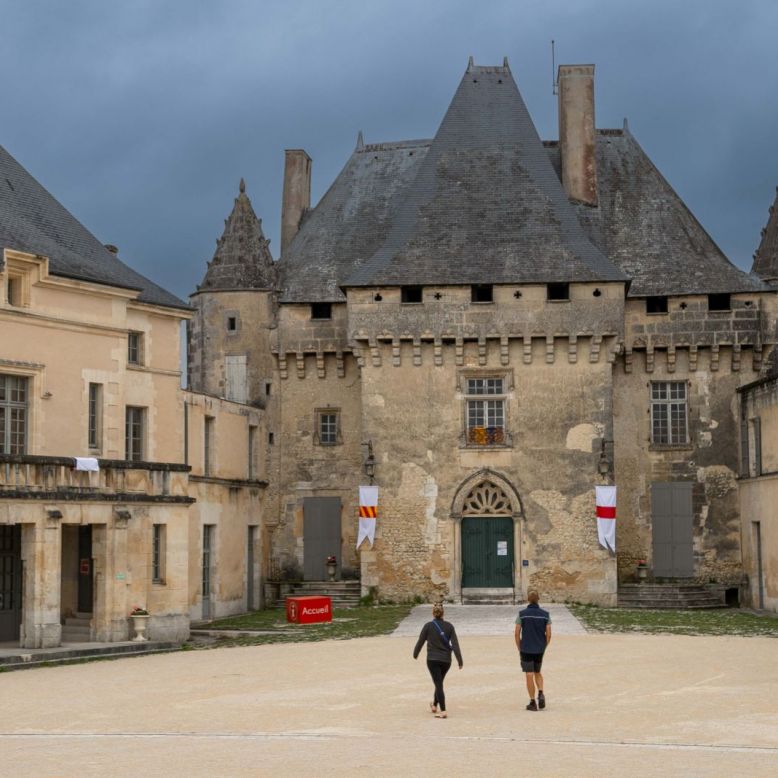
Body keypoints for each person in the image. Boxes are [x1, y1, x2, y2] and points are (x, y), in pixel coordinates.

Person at [413, 603, 463, 718]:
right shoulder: (450, 626)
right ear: (443, 613)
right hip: (446, 661)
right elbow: (455, 644)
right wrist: (460, 660)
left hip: (432, 659)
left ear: (433, 613)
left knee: (438, 683)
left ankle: (443, 710)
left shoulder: (428, 626)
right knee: (438, 682)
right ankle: (434, 705)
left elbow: (420, 641)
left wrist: (415, 653)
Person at [514, 590, 552, 711]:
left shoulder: (522, 614)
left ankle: (532, 702)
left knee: (529, 674)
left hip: (526, 648)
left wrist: (520, 647)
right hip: (539, 648)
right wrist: (544, 646)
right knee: (538, 672)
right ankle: (540, 692)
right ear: (538, 599)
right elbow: (549, 634)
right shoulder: (546, 615)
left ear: (528, 599)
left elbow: (516, 633)